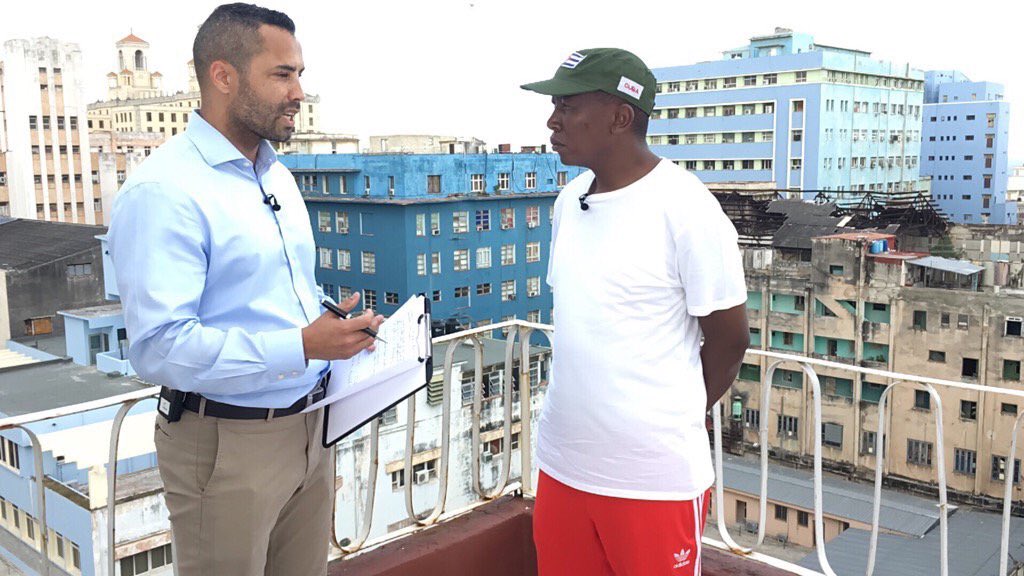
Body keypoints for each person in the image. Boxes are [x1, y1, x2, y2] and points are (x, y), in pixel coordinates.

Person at [107, 4, 382, 575]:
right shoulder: (165, 190)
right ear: (223, 76)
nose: (298, 92)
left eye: (299, 74)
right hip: (225, 443)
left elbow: (276, 293)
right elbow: (159, 347)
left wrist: (333, 325)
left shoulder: (275, 172)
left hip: (311, 428)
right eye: (282, 75)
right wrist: (301, 345)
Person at [521, 48, 750, 576]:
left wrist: (675, 413)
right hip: (563, 466)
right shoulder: (568, 202)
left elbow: (730, 338)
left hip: (652, 481)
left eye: (567, 106)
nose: (552, 120)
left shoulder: (687, 208)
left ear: (620, 117)